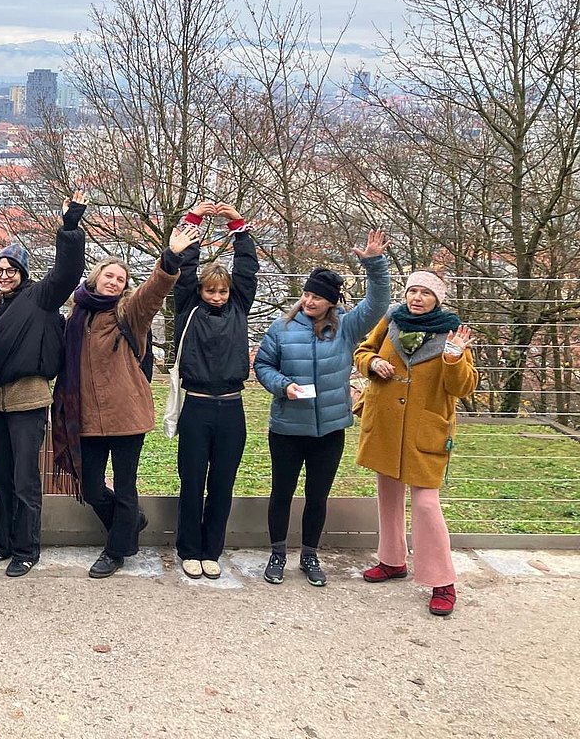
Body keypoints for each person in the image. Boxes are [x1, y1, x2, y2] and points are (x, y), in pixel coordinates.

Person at [53, 225, 197, 579]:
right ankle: (129, 522)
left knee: (125, 485)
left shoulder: (130, 312)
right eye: (109, 275)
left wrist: (170, 258)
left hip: (127, 415)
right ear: (96, 277)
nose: (114, 281)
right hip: (87, 417)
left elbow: (154, 290)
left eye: (121, 278)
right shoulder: (76, 316)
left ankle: (116, 551)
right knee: (91, 488)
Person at [253, 231, 391, 586]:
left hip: (329, 430)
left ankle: (310, 555)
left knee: (318, 496)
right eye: (307, 294)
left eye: (318, 297)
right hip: (287, 428)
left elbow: (378, 303)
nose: (310, 301)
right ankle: (277, 554)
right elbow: (263, 365)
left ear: (331, 302)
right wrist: (283, 386)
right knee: (281, 493)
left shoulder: (346, 326)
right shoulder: (281, 328)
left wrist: (374, 263)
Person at [0, 192, 87, 578]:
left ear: (23, 273)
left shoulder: (40, 298)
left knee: (25, 479)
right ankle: (4, 542)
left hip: (27, 398)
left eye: (11, 270)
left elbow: (67, 272)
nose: (5, 275)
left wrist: (69, 226)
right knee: (0, 478)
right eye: (0, 270)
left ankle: (26, 548)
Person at [355, 269, 477, 616]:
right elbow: (362, 351)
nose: (417, 298)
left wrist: (453, 358)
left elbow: (463, 387)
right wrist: (373, 362)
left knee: (425, 504)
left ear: (437, 299)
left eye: (425, 293)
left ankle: (442, 581)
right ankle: (392, 560)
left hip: (425, 430)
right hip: (386, 426)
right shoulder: (392, 320)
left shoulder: (452, 332)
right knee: (388, 495)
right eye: (413, 291)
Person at [168, 201, 258, 580]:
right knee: (192, 482)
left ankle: (212, 551)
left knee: (222, 483)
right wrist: (193, 221)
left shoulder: (239, 306)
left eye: (223, 291)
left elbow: (247, 269)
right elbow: (186, 270)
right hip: (198, 407)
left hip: (232, 409)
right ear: (201, 291)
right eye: (211, 291)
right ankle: (189, 549)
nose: (218, 296)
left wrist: (238, 225)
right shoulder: (188, 306)